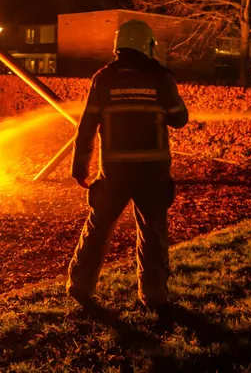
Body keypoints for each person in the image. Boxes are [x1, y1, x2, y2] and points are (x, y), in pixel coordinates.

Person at [66, 19, 189, 308]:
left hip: (114, 171)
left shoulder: (103, 78)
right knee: (152, 230)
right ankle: (153, 294)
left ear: (118, 46)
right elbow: (179, 118)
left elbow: (86, 126)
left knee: (98, 227)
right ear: (148, 46)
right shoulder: (161, 77)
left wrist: (80, 166)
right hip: (152, 171)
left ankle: (80, 286)